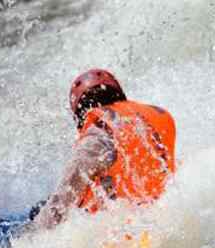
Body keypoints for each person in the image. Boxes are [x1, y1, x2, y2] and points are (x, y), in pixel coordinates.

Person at [32, 69, 176, 229]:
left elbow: (59, 205)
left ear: (80, 113)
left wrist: (30, 238)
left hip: (125, 232)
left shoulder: (98, 134)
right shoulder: (155, 117)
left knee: (36, 212)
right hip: (163, 216)